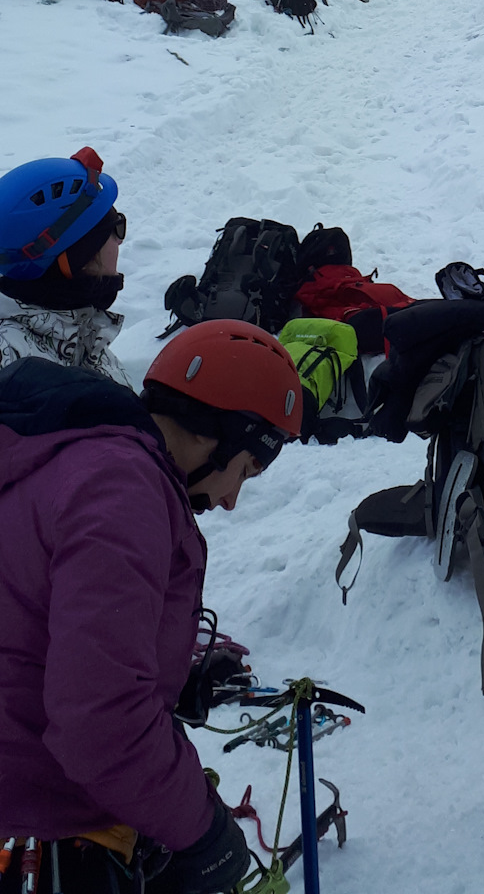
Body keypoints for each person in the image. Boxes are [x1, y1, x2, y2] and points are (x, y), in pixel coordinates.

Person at [0, 319, 303, 894]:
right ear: (223, 434)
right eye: (245, 470)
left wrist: (168, 678)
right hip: (43, 833)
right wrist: (205, 832)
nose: (234, 499)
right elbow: (100, 720)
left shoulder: (64, 457)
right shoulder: (122, 491)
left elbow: (29, 624)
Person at [0, 148, 130, 381]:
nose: (120, 239)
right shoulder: (14, 374)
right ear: (79, 256)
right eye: (115, 228)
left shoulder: (79, 334)